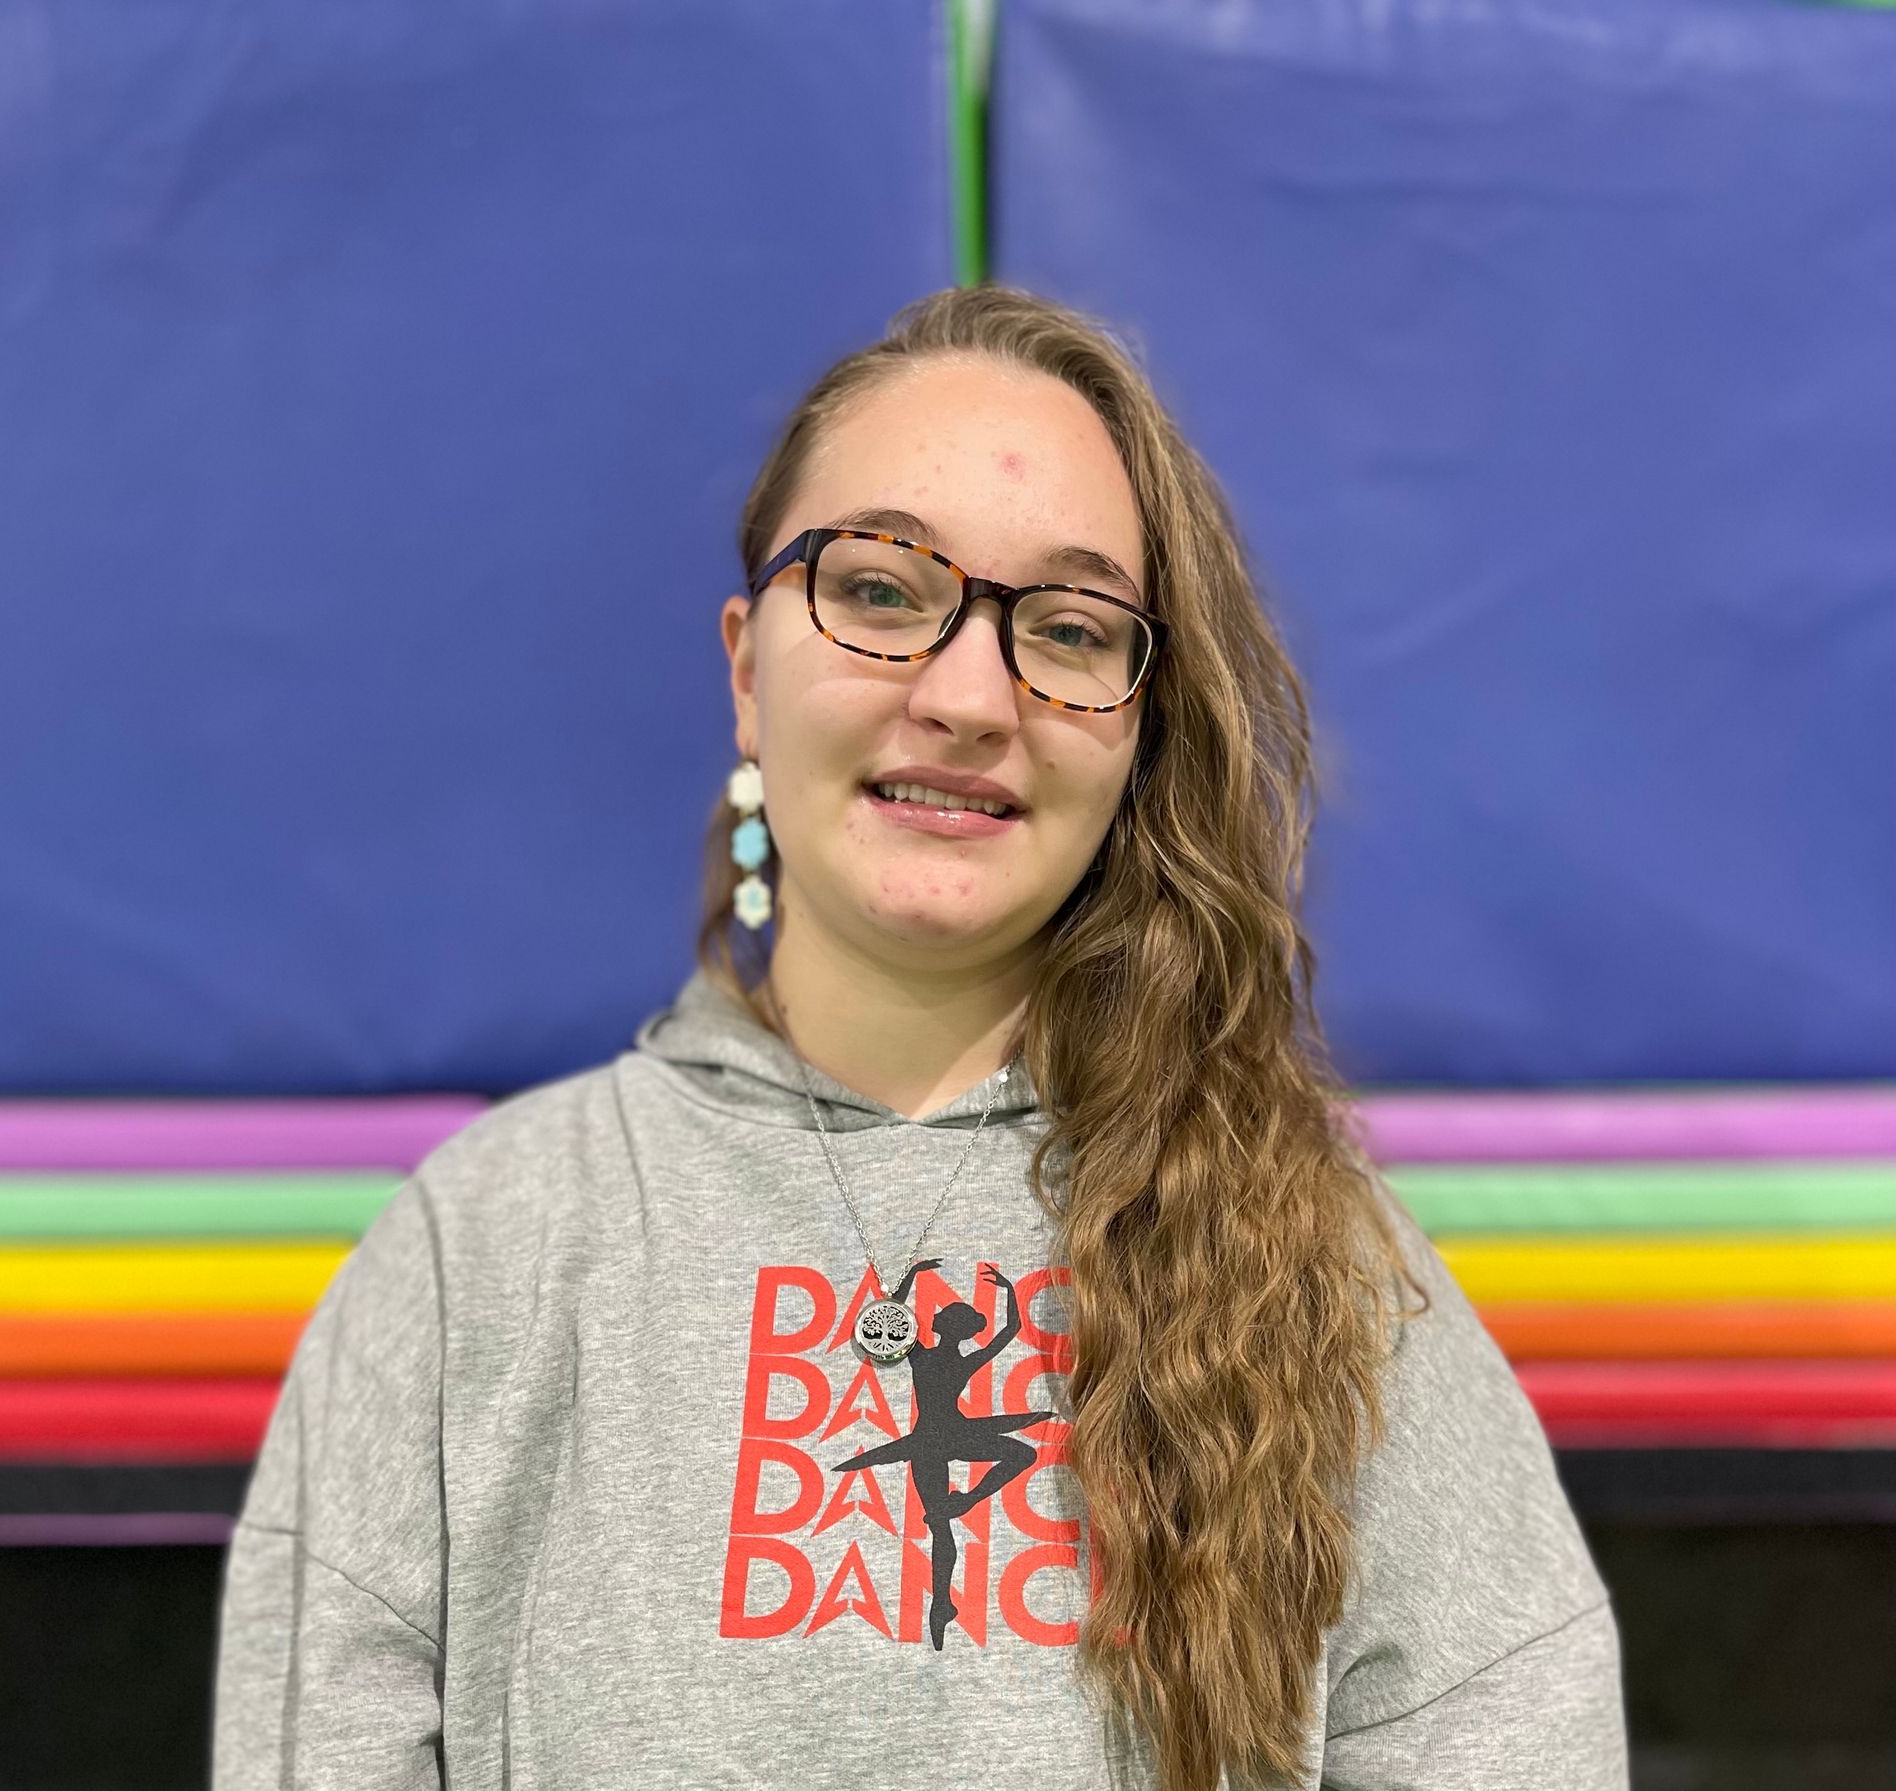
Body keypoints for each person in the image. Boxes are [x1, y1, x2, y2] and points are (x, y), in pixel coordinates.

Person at [211, 285, 1628, 1790]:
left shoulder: (1325, 1271)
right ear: (748, 669)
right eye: (883, 591)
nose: (966, 696)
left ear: (1141, 729)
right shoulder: (475, 1254)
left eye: (1070, 628)